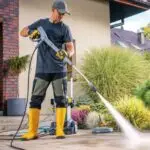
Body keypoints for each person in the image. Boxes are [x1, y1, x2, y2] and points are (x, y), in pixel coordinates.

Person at [20, 0, 74, 140]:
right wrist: (32, 33)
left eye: (63, 14)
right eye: (60, 13)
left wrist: (67, 54)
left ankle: (60, 131)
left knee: (61, 100)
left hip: (59, 70)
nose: (62, 16)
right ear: (53, 10)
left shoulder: (65, 28)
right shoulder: (41, 23)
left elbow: (70, 47)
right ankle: (32, 132)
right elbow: (23, 32)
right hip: (42, 69)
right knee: (35, 100)